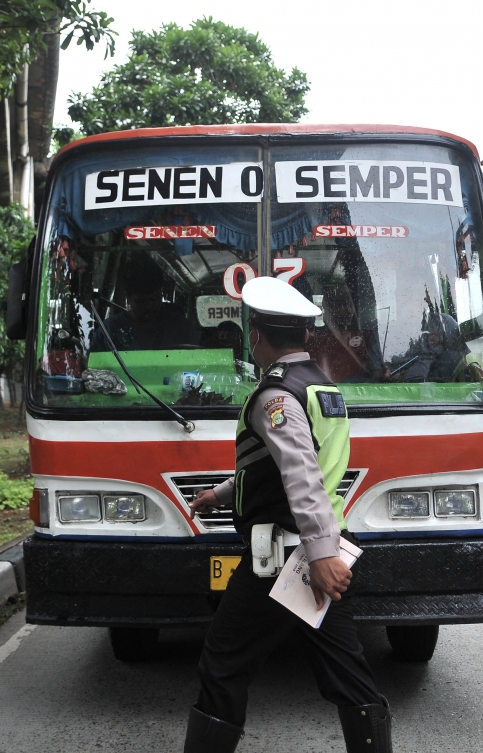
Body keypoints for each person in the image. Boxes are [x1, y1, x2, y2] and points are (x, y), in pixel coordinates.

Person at [184, 277, 392, 753]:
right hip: (321, 552)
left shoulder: (276, 395)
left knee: (222, 664)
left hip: (286, 559)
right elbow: (295, 465)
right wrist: (219, 493)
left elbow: (300, 473)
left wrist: (317, 556)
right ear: (303, 335)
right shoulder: (322, 388)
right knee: (349, 676)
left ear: (257, 336)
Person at [90, 257, 199, 352]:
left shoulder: (180, 328)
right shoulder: (109, 331)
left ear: (162, 294)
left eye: (155, 299)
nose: (149, 307)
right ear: (128, 298)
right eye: (141, 302)